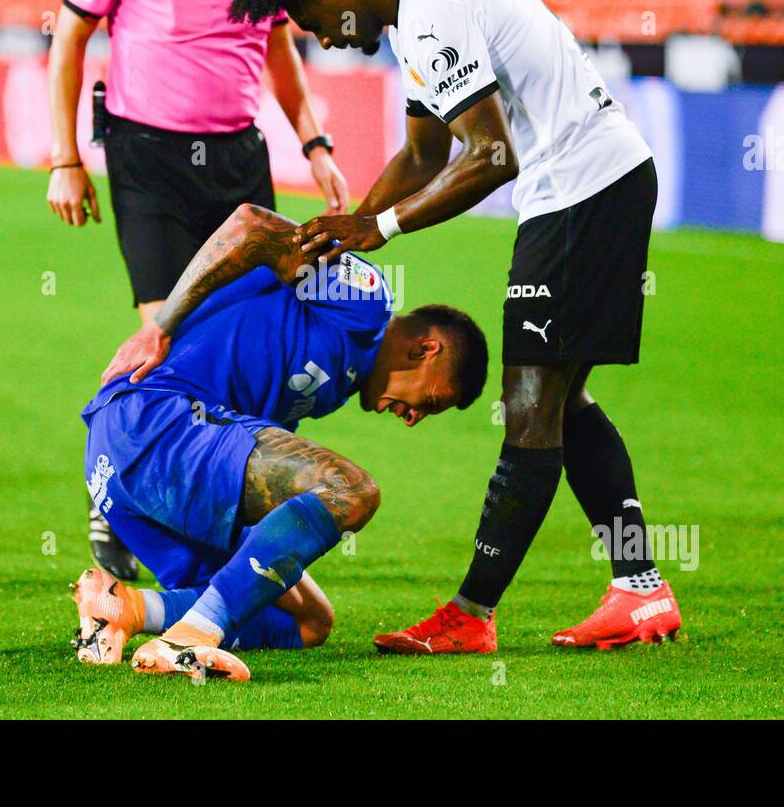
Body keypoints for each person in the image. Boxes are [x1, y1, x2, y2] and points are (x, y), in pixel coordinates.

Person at [219, 0, 683, 653]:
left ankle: (472, 613)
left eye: (312, 23)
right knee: (562, 402)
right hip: (590, 184)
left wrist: (383, 225)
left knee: (532, 403)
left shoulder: (431, 12)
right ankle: (640, 587)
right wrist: (342, 234)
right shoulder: (425, 3)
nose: (325, 41)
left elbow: (490, 155)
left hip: (581, 188)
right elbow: (425, 152)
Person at [47, 0, 351, 581]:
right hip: (150, 159)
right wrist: (65, 157)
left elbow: (279, 47)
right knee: (166, 340)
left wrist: (313, 143)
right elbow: (69, 38)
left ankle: (219, 504)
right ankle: (119, 486)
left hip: (239, 164)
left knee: (247, 343)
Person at [74, 203, 488, 680]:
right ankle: (191, 638)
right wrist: (160, 326)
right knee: (351, 490)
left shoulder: (336, 384)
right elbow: (251, 225)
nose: (414, 418)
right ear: (426, 349)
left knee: (308, 623)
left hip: (129, 470)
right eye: (431, 402)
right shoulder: (367, 302)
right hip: (155, 419)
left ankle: (125, 608)